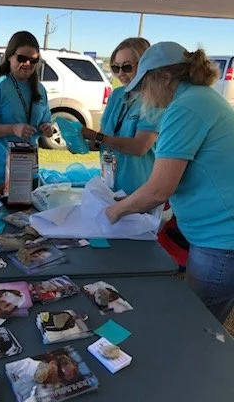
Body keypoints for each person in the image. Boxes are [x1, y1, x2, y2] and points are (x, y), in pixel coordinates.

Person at [106, 41, 234, 324]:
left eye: (145, 84)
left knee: (196, 325)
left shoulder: (186, 107)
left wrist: (114, 211)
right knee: (202, 322)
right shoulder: (200, 98)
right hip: (218, 235)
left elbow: (160, 188)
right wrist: (128, 204)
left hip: (220, 238)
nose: (143, 94)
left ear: (164, 77)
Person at [0, 31, 53, 184]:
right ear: (10, 56)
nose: (27, 64)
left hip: (28, 173)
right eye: (22, 58)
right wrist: (12, 129)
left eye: (33, 60)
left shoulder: (40, 89)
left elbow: (46, 124)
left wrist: (46, 128)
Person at [82, 37, 161, 194]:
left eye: (126, 67)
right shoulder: (117, 95)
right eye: (115, 68)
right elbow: (108, 139)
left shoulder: (155, 99)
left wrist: (96, 137)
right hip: (110, 186)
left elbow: (140, 146)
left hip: (138, 191)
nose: (120, 74)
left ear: (145, 66)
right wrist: (84, 143)